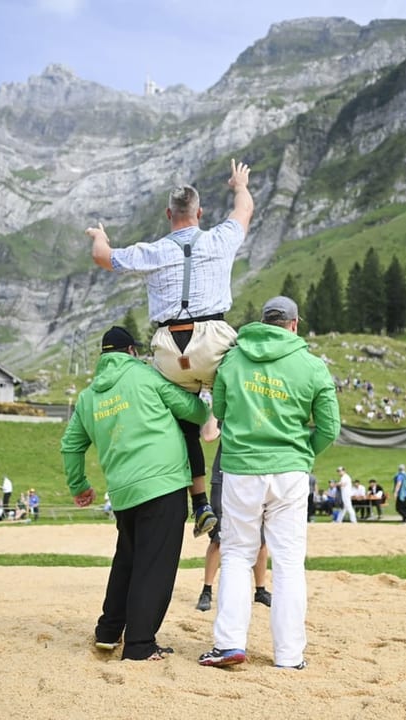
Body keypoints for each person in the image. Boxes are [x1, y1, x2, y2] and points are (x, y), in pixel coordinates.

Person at [86, 159, 255, 538]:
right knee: (240, 376)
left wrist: (99, 235)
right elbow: (244, 209)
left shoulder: (152, 251)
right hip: (212, 340)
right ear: (200, 212)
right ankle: (221, 420)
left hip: (169, 349)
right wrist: (238, 184)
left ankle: (200, 503)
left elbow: (103, 256)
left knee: (184, 425)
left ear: (168, 214)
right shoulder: (219, 238)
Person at [199, 296, 340, 668]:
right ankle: (290, 655)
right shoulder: (311, 365)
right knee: (290, 562)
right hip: (290, 471)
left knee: (236, 555)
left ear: (263, 322)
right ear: (294, 324)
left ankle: (229, 644)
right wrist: (303, 453)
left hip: (241, 468)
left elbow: (222, 412)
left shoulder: (233, 360)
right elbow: (329, 427)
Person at [61, 325, 209, 661]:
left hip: (124, 491)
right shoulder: (144, 376)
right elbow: (195, 413)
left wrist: (79, 485)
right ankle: (141, 645)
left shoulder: (87, 397)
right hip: (163, 483)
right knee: (154, 566)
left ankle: (109, 631)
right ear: (131, 352)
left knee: (127, 560)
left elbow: (70, 446)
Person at [196, 445, 272, 613]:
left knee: (260, 537)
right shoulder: (223, 417)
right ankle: (206, 590)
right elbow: (208, 436)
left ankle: (260, 590)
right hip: (224, 475)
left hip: (255, 475)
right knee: (218, 536)